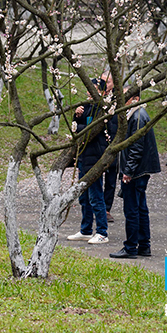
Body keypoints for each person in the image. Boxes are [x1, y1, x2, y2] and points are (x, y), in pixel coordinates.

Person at [109, 91, 161, 259]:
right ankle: (144, 245)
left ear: (135, 99)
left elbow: (137, 148)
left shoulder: (137, 117)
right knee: (140, 208)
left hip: (137, 171)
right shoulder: (137, 115)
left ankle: (131, 246)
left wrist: (128, 171)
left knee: (132, 209)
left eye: (126, 97)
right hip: (140, 170)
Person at [67, 76, 117, 245]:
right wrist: (77, 116)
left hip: (95, 157)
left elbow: (90, 131)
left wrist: (78, 127)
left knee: (95, 196)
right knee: (84, 197)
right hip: (84, 156)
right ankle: (86, 229)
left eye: (93, 88)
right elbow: (78, 128)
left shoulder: (103, 108)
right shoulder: (88, 106)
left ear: (102, 92)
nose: (88, 91)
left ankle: (102, 231)